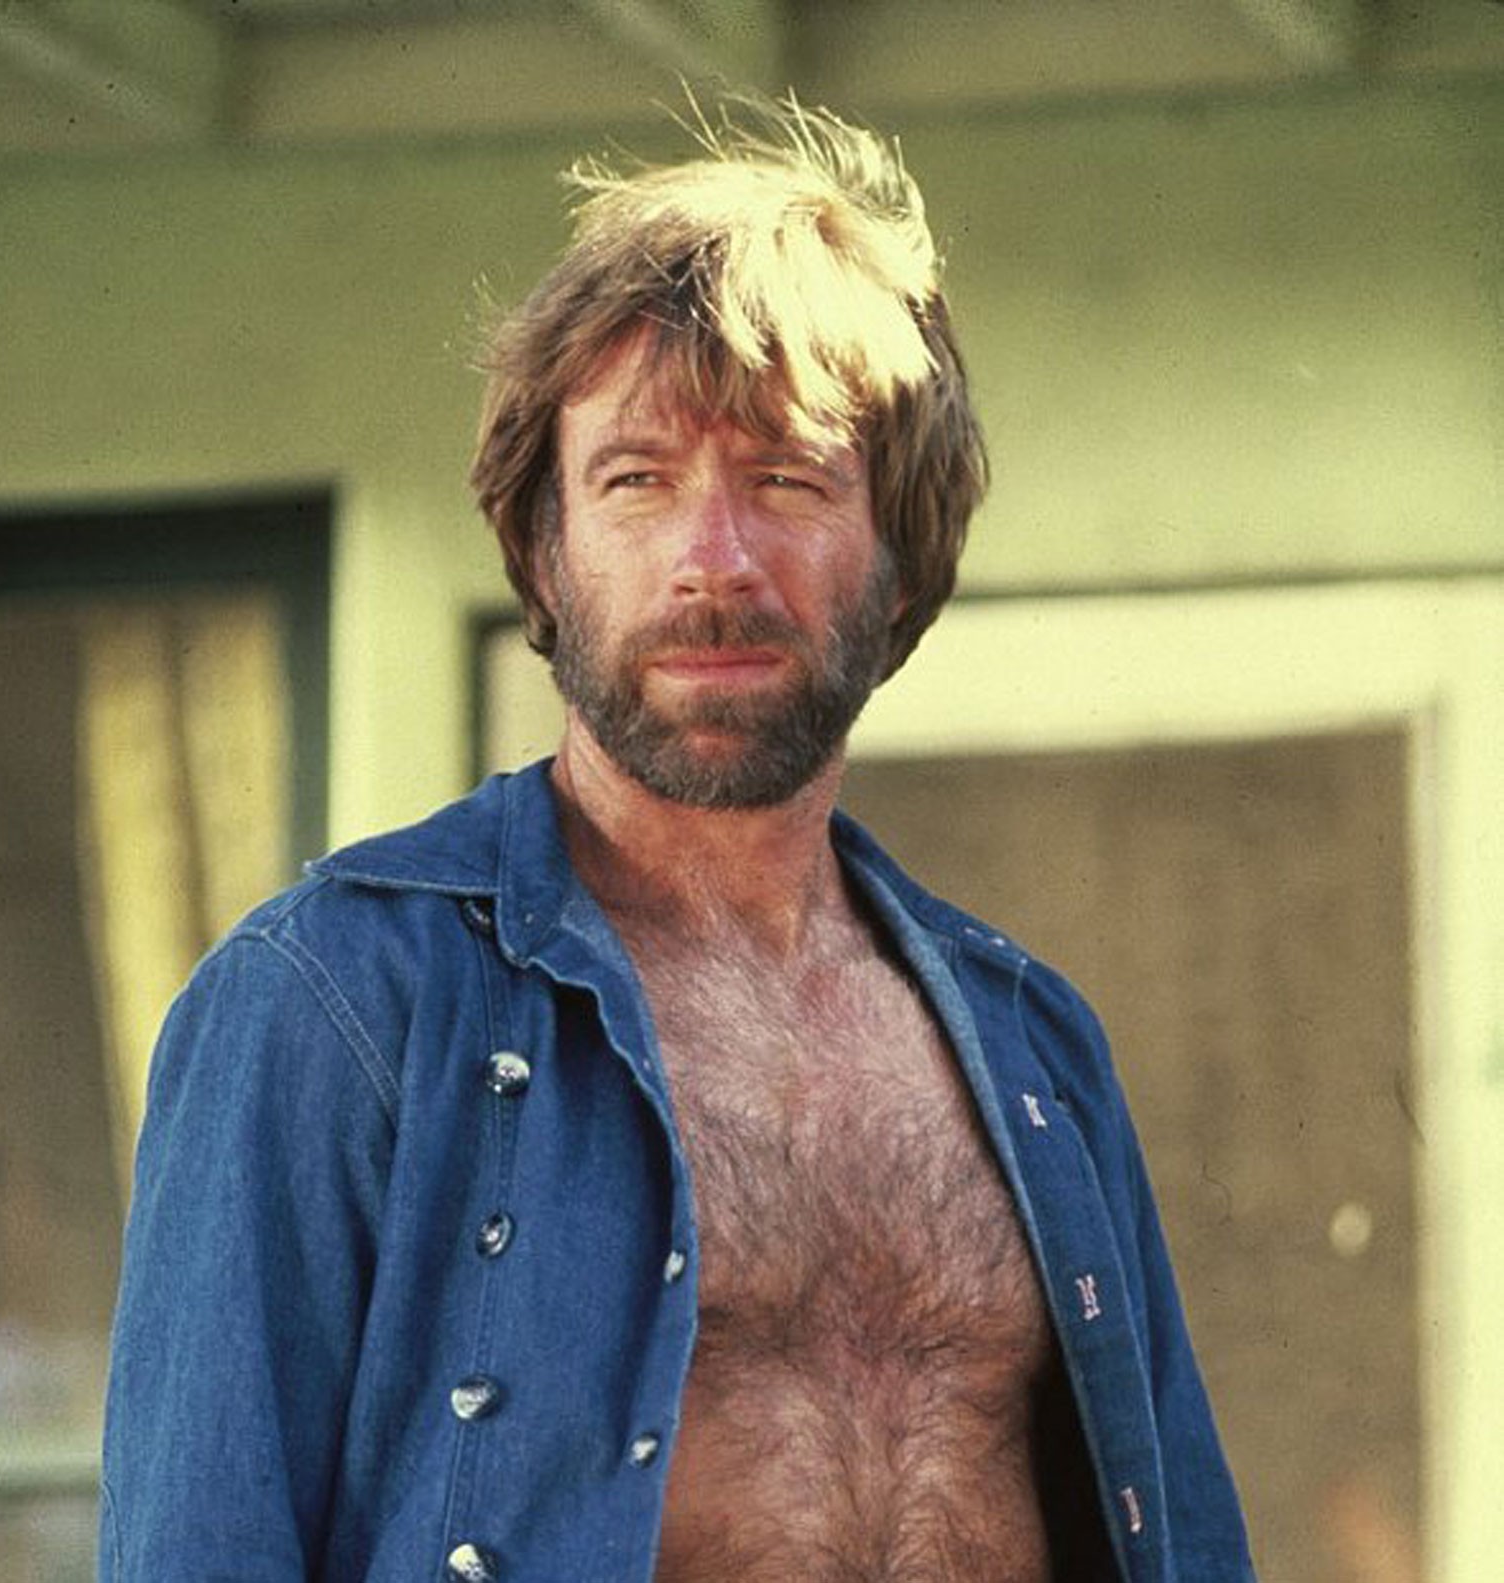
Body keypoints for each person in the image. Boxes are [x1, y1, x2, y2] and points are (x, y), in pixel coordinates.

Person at [100, 97, 1254, 1582]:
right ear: (542, 555)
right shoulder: (330, 1004)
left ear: (904, 562)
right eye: (637, 481)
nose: (714, 562)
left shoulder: (1039, 1053)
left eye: (787, 478)